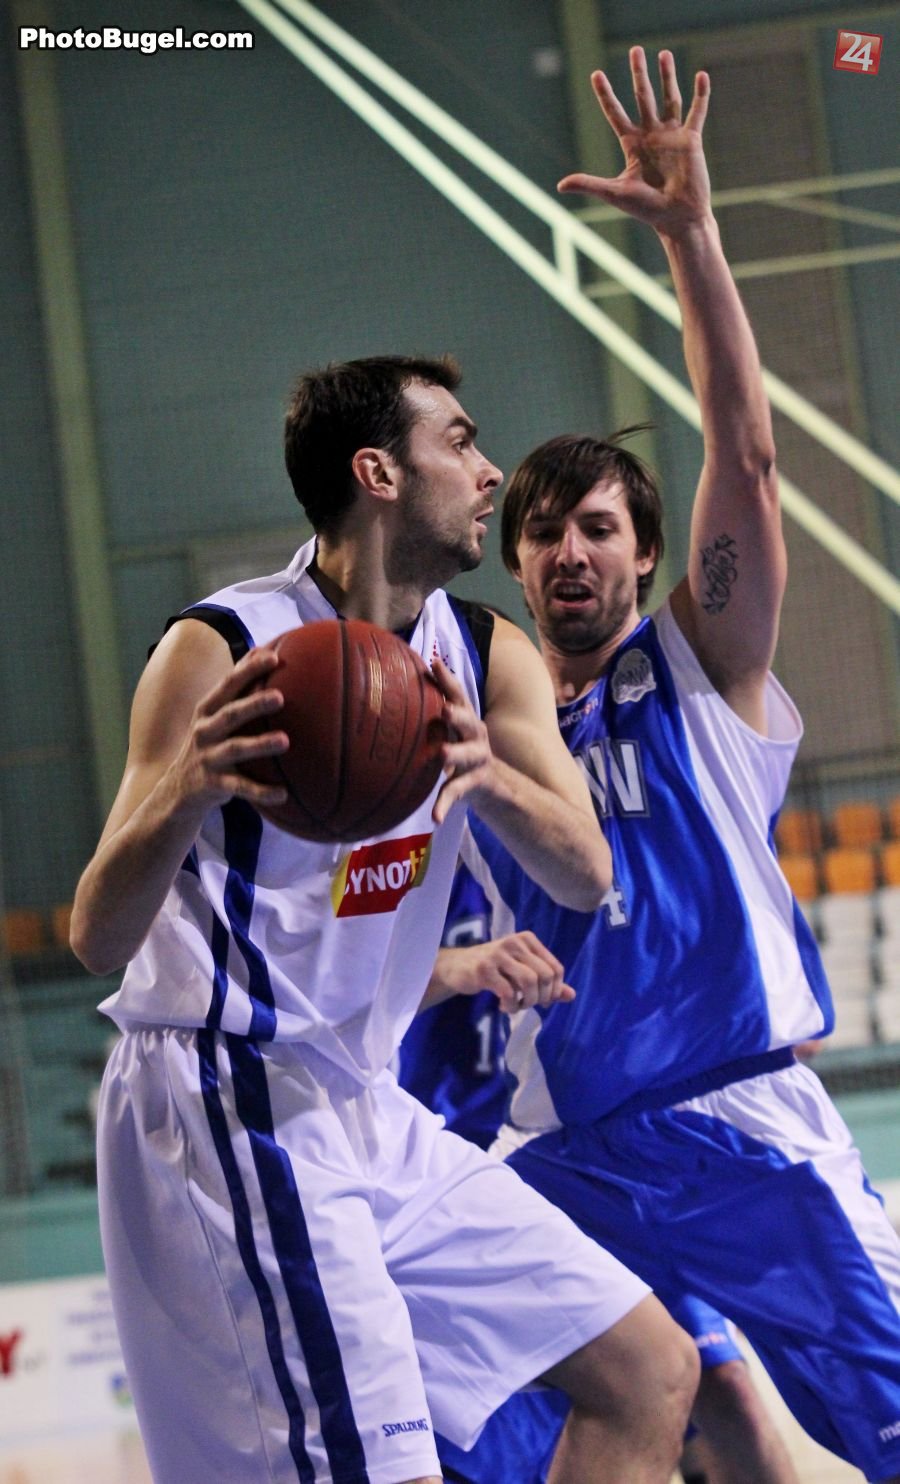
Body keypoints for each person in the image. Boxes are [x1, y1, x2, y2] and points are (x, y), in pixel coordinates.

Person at [70, 353, 700, 1484]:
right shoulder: (222, 647)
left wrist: (488, 774)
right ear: (379, 473)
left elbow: (586, 873)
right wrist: (188, 786)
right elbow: (96, 936)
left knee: (648, 1370)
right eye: (459, 442)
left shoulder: (486, 652)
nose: (490, 470)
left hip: (365, 1098)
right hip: (228, 1087)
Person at [459, 46, 900, 1484]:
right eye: (542, 530)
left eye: (597, 527)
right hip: (575, 1152)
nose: (567, 549)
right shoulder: (482, 730)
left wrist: (693, 236)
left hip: (739, 1128)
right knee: (480, 1407)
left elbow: (749, 460)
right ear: (517, 564)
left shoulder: (698, 672)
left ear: (648, 556)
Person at [400, 862, 798, 1484]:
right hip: (463, 1166)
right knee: (519, 1429)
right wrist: (456, 965)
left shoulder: (578, 848)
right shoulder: (404, 854)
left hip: (596, 1158)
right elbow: (342, 984)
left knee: (717, 1381)